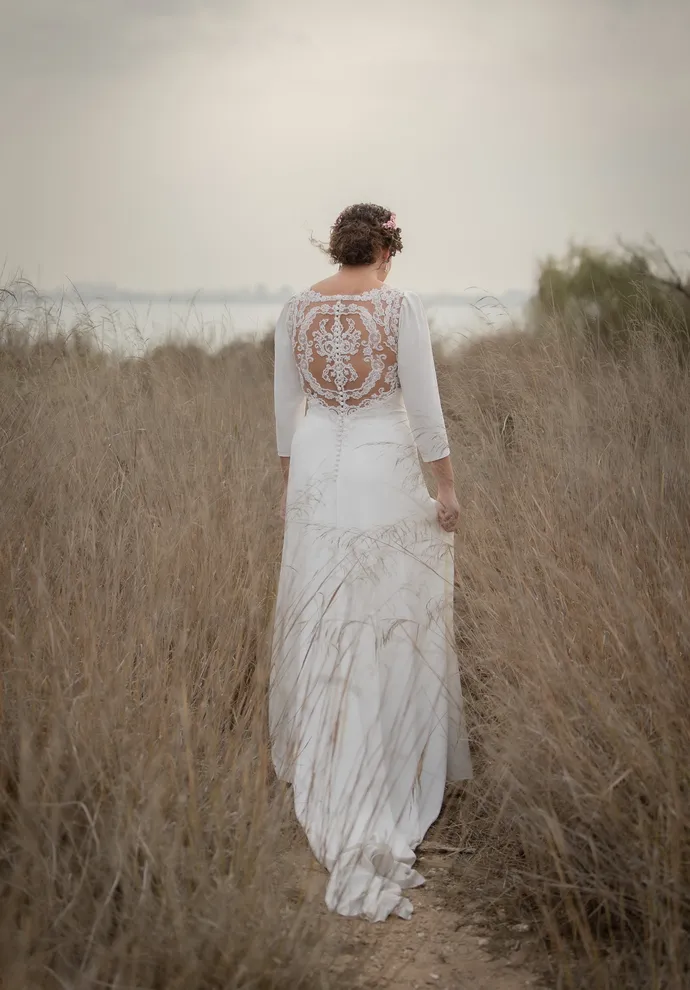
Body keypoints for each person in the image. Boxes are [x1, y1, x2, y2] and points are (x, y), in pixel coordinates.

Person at [270, 203, 472, 923]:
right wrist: (444, 486)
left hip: (322, 467)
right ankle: (388, 768)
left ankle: (329, 760)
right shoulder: (397, 307)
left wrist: (294, 489)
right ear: (386, 249)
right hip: (383, 466)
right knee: (388, 612)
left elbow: (284, 410)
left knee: (326, 615)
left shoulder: (296, 310)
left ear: (338, 246)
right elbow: (425, 406)